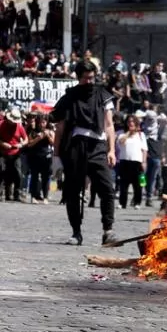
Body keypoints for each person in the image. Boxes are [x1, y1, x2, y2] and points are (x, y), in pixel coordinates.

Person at [51, 61, 118, 246]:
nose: (89, 81)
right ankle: (76, 232)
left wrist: (111, 150)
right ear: (78, 77)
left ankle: (108, 230)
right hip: (75, 146)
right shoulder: (70, 97)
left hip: (97, 146)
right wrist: (56, 156)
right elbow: (61, 126)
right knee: (72, 191)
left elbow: (109, 125)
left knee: (106, 188)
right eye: (85, 77)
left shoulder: (103, 94)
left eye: (92, 77)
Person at [116, 115, 148, 209]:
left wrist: (144, 162)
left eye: (133, 121)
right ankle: (122, 203)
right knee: (123, 185)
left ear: (136, 123)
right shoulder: (122, 134)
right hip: (124, 162)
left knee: (138, 185)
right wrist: (128, 133)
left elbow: (144, 150)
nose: (131, 123)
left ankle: (137, 202)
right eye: (129, 121)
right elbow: (120, 143)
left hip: (137, 162)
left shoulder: (141, 135)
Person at [27, 113, 56, 203]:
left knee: (46, 178)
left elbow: (53, 143)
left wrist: (47, 135)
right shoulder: (33, 131)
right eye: (40, 122)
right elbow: (29, 144)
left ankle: (45, 197)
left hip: (47, 157)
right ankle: (33, 197)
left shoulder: (50, 131)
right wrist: (38, 138)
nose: (41, 124)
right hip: (35, 157)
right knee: (34, 177)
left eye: (43, 122)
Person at [0, 109, 29, 201]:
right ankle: (2, 194)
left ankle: (16, 194)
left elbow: (26, 139)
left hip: (15, 153)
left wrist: (21, 144)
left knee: (18, 173)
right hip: (2, 153)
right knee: (2, 171)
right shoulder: (1, 124)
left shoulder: (19, 127)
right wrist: (2, 143)